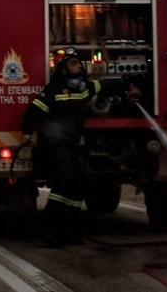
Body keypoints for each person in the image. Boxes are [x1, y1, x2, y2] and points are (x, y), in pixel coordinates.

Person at [21, 48, 141, 247]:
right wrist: (26, 131)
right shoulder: (53, 91)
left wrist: (128, 84)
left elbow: (105, 85)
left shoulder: (84, 89)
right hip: (55, 144)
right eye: (73, 63)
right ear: (64, 70)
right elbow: (33, 112)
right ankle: (46, 227)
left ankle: (67, 231)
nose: (78, 65)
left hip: (70, 144)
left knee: (78, 182)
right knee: (64, 181)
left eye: (79, 63)